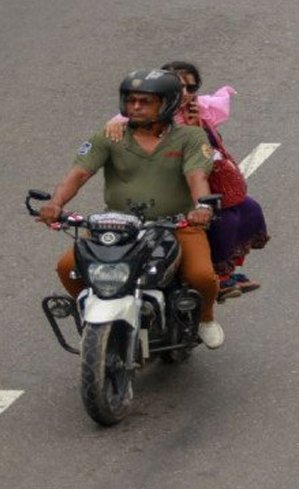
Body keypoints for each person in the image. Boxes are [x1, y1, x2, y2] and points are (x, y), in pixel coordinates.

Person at [40, 69, 224, 349]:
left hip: (176, 225)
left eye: (145, 101)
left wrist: (201, 208)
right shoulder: (109, 136)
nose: (135, 107)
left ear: (168, 104)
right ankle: (95, 322)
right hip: (116, 225)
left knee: (201, 276)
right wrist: (55, 204)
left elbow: (196, 176)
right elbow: (78, 173)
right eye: (131, 100)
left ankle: (206, 319)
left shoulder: (190, 138)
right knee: (67, 267)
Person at [105, 61, 270, 302]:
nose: (185, 94)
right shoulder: (141, 116)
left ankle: (218, 277)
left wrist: (197, 129)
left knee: (246, 209)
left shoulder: (197, 112)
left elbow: (206, 152)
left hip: (197, 182)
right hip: (161, 191)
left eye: (191, 88)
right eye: (178, 86)